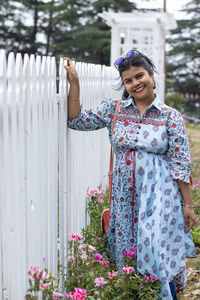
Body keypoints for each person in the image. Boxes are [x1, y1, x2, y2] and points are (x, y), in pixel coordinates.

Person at [64, 49, 197, 300]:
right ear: (124, 84)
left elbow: (181, 163)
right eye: (128, 80)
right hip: (125, 200)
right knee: (128, 254)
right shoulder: (114, 111)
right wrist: (75, 84)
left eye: (139, 76)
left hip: (160, 199)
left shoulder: (170, 116)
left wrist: (188, 204)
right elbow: (76, 120)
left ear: (151, 74)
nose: (136, 83)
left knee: (155, 250)